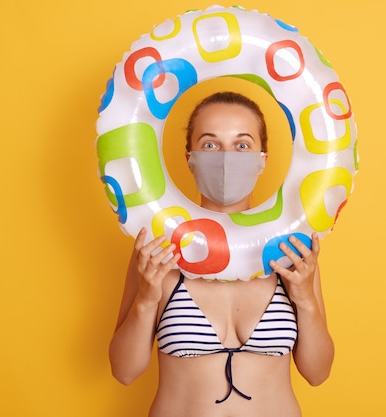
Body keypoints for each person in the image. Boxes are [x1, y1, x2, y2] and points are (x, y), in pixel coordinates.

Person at [109, 91, 334, 417]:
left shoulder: (290, 249)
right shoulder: (160, 248)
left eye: (242, 145)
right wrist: (145, 299)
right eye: (210, 145)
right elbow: (124, 371)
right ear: (190, 158)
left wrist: (305, 299)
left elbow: (318, 373)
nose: (227, 157)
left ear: (262, 160)